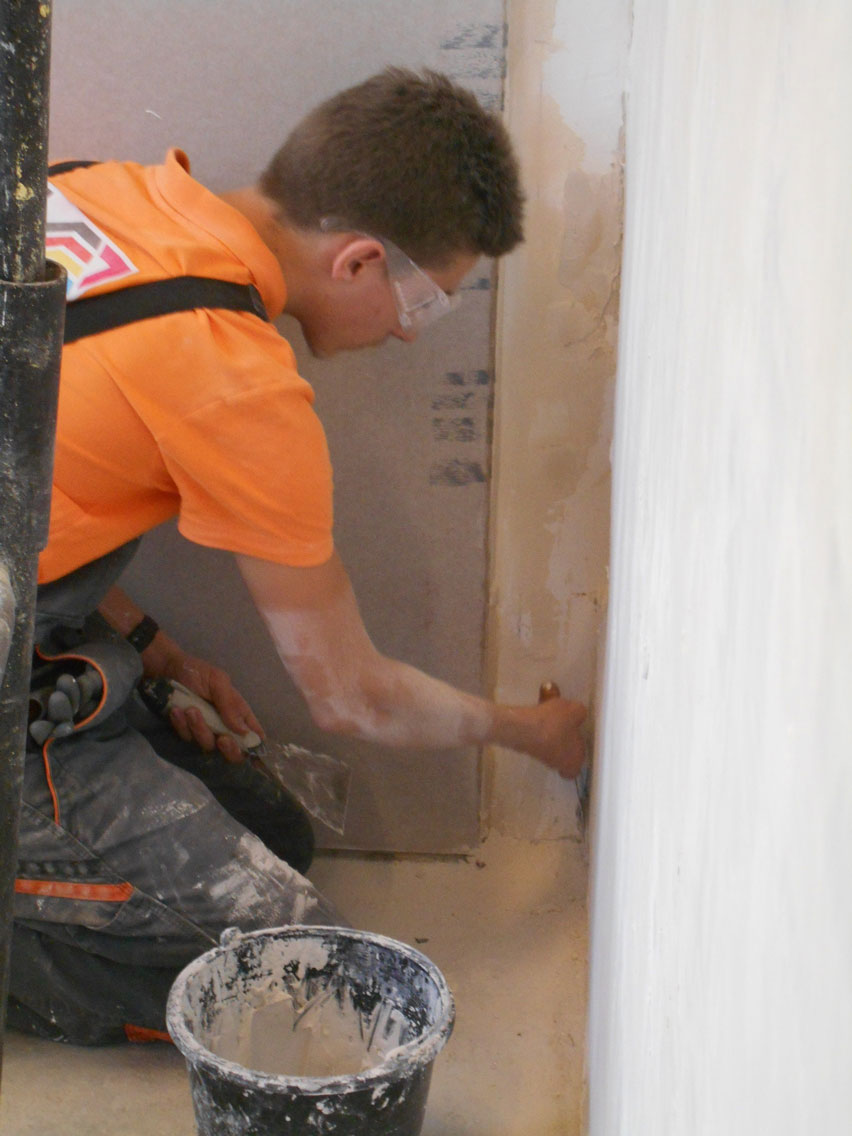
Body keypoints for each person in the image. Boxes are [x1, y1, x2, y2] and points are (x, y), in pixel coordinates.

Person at [10, 67, 587, 1045]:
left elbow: (36, 488)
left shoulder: (96, 190)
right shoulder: (237, 384)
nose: (406, 332)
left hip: (31, 635)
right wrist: (537, 734)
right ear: (359, 260)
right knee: (306, 979)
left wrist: (154, 648)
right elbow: (353, 698)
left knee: (276, 832)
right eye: (424, 302)